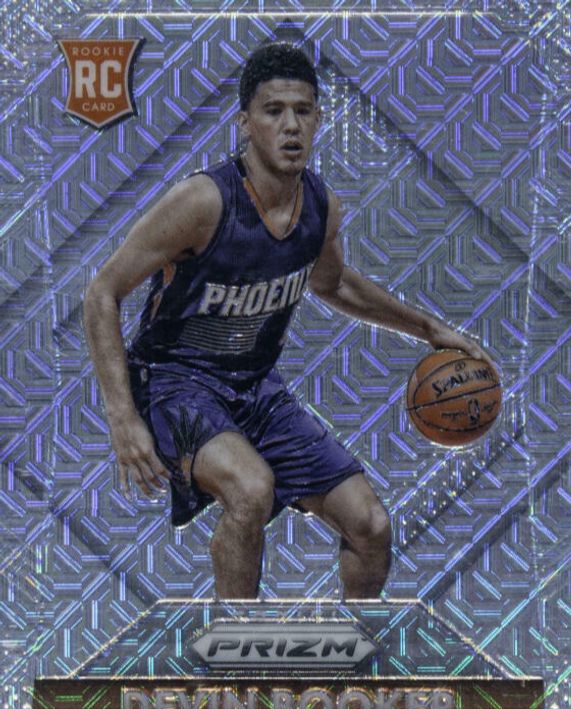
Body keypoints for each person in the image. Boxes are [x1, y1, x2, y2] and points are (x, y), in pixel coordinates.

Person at [84, 43, 488, 600]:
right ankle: (235, 646)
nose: (291, 125)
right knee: (251, 489)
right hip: (174, 384)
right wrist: (122, 417)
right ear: (245, 124)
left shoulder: (321, 206)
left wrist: (430, 329)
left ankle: (355, 648)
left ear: (319, 120)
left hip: (256, 389)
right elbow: (101, 293)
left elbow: (334, 284)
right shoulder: (202, 202)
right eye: (274, 111)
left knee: (370, 525)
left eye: (303, 111)